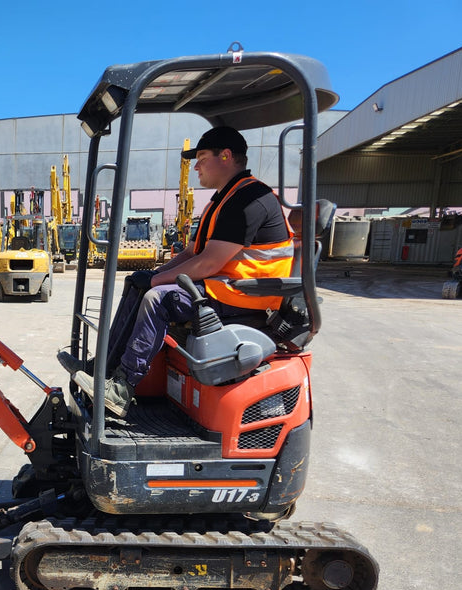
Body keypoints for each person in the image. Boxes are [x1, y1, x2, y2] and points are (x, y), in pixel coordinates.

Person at [71, 126, 294, 418]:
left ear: (225, 156)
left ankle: (122, 389)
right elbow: (192, 254)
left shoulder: (247, 199)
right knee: (138, 285)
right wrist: (151, 275)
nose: (196, 165)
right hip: (222, 287)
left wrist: (155, 280)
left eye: (201, 157)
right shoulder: (222, 199)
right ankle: (103, 368)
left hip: (244, 294)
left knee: (158, 298)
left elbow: (208, 264)